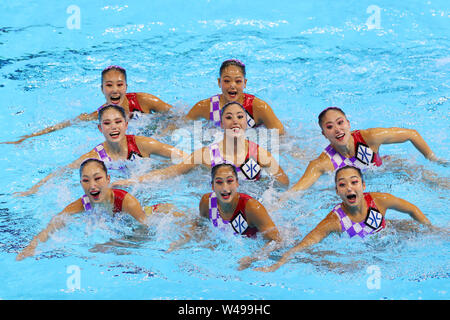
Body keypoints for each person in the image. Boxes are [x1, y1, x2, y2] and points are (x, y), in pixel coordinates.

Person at [257, 165, 433, 272]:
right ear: (337, 191)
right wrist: (276, 265)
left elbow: (412, 209)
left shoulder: (380, 200)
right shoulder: (334, 221)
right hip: (359, 252)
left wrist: (429, 226)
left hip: (386, 234)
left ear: (363, 185)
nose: (349, 188)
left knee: (423, 231)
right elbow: (303, 245)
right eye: (342, 184)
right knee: (335, 265)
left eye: (354, 182)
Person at [16, 158, 177, 261]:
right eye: (86, 181)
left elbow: (147, 232)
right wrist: (32, 246)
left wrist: (112, 244)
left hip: (151, 212)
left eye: (97, 178)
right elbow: (56, 223)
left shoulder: (126, 201)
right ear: (80, 184)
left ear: (108, 179)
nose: (92, 185)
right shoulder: (83, 203)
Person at [15, 104, 187, 196]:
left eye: (118, 122)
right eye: (107, 123)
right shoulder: (95, 157)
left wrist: (140, 180)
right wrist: (33, 190)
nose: (113, 127)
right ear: (100, 129)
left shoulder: (144, 144)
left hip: (154, 182)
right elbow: (63, 172)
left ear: (126, 125)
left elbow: (186, 159)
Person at [114, 101, 289, 187]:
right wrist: (132, 181)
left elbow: (283, 183)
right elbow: (170, 172)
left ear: (246, 123)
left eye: (240, 117)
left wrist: (266, 189)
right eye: (229, 117)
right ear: (221, 124)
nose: (235, 121)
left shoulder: (259, 154)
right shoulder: (206, 155)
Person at [289, 106, 446, 192]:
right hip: (355, 187)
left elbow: (412, 134)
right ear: (324, 134)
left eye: (340, 122)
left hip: (383, 168)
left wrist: (432, 158)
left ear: (348, 124)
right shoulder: (323, 163)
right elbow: (295, 191)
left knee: (416, 170)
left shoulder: (370, 137)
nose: (337, 130)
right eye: (330, 127)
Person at [3, 65, 173, 144]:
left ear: (126, 87)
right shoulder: (100, 115)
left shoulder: (143, 101)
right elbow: (67, 123)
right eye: (109, 85)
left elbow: (177, 115)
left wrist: (162, 134)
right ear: (102, 89)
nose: (115, 90)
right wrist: (29, 137)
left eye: (120, 85)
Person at [168, 163, 282, 270]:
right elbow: (201, 225)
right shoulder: (206, 202)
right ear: (212, 186)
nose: (225, 188)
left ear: (237, 183)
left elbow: (277, 241)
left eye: (229, 181)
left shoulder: (251, 208)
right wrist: (185, 240)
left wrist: (253, 258)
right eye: (219, 182)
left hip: (254, 244)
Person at [186, 59, 285, 134]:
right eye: (227, 81)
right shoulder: (205, 107)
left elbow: (281, 136)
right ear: (219, 82)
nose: (232, 85)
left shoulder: (258, 108)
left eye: (238, 81)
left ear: (244, 83)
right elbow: (181, 126)